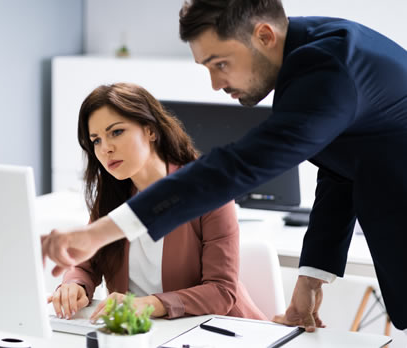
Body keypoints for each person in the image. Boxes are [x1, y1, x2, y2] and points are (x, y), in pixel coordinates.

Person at [42, 0, 407, 331]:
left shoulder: (327, 66)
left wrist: (98, 233)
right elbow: (341, 171)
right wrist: (310, 280)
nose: (216, 84)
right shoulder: (314, 57)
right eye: (207, 67)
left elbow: (234, 168)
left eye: (220, 64)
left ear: (264, 35)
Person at [47, 82, 266, 322]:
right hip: (142, 334)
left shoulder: (209, 190)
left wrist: (151, 304)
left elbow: (222, 292)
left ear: (151, 131)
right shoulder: (112, 195)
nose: (105, 148)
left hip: (219, 333)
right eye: (96, 140)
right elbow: (86, 266)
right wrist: (75, 285)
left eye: (116, 132)